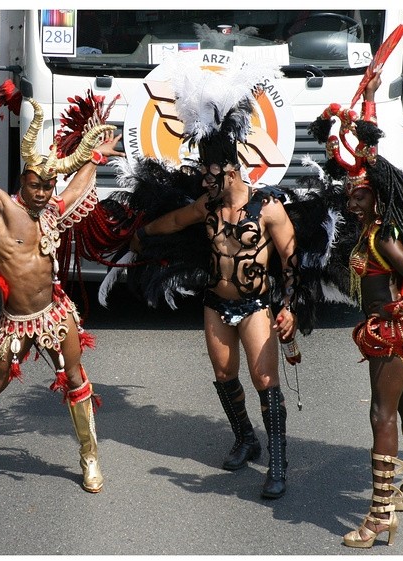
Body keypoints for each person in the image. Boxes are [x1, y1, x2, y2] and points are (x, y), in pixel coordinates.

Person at [0, 84, 123, 497]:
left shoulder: (52, 210)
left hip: (55, 313)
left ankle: (90, 458)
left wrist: (95, 157)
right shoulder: (1, 209)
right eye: (36, 185)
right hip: (16, 322)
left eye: (48, 187)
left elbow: (78, 189)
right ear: (23, 180)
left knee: (76, 378)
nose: (42, 193)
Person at [128, 60, 299, 499]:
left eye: (211, 174)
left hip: (257, 305)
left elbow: (292, 258)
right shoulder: (207, 204)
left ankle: (277, 460)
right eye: (203, 173)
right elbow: (171, 222)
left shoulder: (269, 209)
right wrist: (141, 236)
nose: (205, 181)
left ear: (232, 170)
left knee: (265, 382)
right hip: (215, 304)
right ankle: (245, 437)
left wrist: (289, 307)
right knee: (225, 375)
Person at [311, 73, 403, 548]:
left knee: (381, 416)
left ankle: (380, 516)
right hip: (392, 331)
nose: (352, 198)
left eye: (360, 194)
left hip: (392, 333)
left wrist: (395, 313)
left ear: (376, 196)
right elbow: (362, 151)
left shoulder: (383, 237)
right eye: (349, 194)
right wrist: (369, 98)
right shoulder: (369, 233)